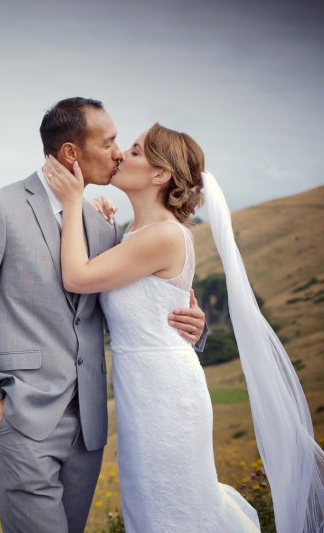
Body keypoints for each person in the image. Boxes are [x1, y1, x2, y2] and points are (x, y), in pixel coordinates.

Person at [0, 97, 207, 533]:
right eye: (110, 142)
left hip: (91, 428)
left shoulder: (104, 228)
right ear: (72, 153)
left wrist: (194, 325)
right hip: (21, 418)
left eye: (125, 145)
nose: (118, 153)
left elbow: (140, 303)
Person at [43, 122, 324, 531]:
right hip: (141, 390)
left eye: (135, 151)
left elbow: (78, 278)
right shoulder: (135, 233)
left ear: (160, 175)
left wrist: (72, 202)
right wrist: (100, 222)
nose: (121, 154)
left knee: (173, 509)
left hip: (165, 396)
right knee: (151, 506)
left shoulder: (164, 236)